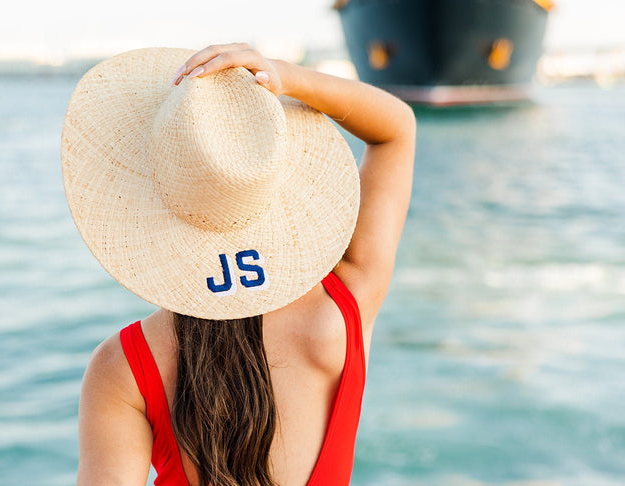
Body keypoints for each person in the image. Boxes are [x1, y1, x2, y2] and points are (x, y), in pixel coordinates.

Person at [62, 43, 415, 486]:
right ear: (268, 180)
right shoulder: (345, 301)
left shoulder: (125, 366)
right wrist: (283, 76)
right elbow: (396, 128)